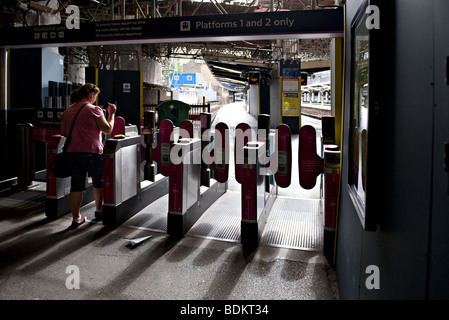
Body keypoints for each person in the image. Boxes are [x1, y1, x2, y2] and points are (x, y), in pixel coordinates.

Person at [60, 83, 117, 230]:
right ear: (91, 94)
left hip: (72, 153)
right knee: (98, 182)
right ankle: (99, 211)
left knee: (76, 186)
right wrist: (112, 113)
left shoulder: (67, 111)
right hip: (92, 152)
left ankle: (76, 218)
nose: (95, 99)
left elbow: (64, 132)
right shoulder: (94, 110)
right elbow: (107, 129)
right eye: (95, 96)